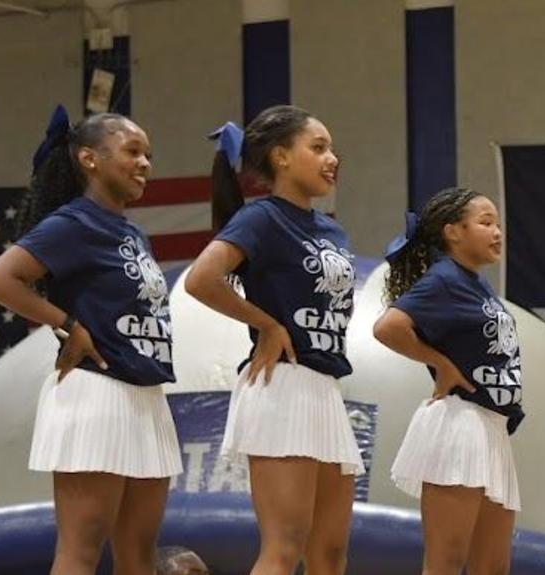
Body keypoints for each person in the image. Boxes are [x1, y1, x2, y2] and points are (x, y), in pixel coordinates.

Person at [0, 107, 178, 575]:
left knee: (140, 555)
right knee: (81, 552)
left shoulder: (130, 231)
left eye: (148, 154)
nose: (145, 163)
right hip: (97, 393)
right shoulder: (74, 222)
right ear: (89, 158)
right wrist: (66, 323)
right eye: (132, 151)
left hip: (145, 394)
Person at [182, 105, 360, 575]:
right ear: (281, 156)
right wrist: (267, 324)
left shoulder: (331, 229)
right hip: (283, 387)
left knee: (331, 554)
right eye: (318, 147)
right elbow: (202, 279)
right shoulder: (262, 217)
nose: (332, 158)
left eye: (332, 149)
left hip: (325, 388)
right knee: (284, 548)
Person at [373, 187, 522, 575]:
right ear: (453, 231)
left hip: (491, 427)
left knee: (492, 567)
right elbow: (389, 327)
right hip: (460, 426)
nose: (497, 232)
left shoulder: (474, 282)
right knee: (445, 564)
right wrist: (439, 363)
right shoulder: (444, 280)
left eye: (498, 223)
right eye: (486, 222)